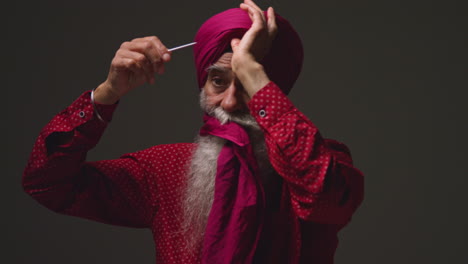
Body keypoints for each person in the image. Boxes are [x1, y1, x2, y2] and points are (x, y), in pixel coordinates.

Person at [23, 1, 364, 263]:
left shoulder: (325, 162)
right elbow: (47, 182)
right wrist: (107, 94)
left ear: (273, 89)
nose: (229, 103)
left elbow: (326, 199)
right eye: (218, 80)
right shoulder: (166, 168)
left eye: (246, 83)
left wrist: (254, 73)